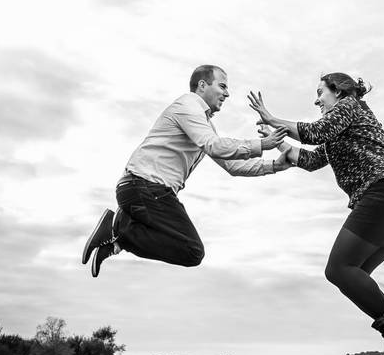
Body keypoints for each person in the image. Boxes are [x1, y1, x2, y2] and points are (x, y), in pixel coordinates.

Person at [248, 73, 384, 355]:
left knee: (338, 269)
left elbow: (315, 132)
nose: (317, 100)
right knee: (350, 275)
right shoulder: (338, 131)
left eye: (320, 93)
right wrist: (277, 142)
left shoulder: (350, 106)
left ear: (338, 91)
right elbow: (312, 159)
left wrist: (272, 118)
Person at [82, 65, 292, 277]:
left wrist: (274, 166)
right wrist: (262, 144)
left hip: (144, 189)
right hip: (145, 186)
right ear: (202, 85)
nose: (227, 93)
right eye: (222, 86)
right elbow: (215, 146)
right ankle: (117, 227)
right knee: (192, 251)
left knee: (190, 252)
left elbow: (231, 165)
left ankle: (115, 242)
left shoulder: (204, 122)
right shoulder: (188, 106)